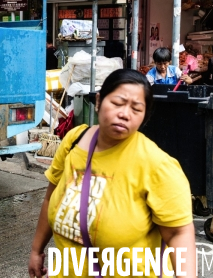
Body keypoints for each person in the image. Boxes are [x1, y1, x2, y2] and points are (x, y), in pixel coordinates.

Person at [28, 69, 196, 278]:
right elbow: (50, 198)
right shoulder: (74, 141)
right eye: (117, 103)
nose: (125, 114)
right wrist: (37, 250)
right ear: (98, 101)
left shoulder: (158, 165)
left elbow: (179, 233)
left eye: (136, 109)